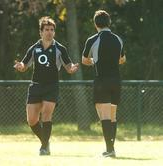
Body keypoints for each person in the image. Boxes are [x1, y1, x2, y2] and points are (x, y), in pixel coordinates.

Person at [14, 16, 79, 156]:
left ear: (54, 32)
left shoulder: (60, 48)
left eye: (52, 30)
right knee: (31, 120)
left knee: (46, 113)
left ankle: (44, 147)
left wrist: (72, 68)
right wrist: (20, 66)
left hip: (52, 86)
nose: (49, 32)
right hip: (36, 86)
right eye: (46, 30)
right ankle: (45, 141)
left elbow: (69, 66)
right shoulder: (34, 48)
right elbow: (24, 65)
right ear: (41, 32)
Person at [82, 10, 126, 157]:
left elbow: (84, 60)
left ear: (95, 24)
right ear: (109, 23)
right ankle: (111, 148)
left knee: (104, 116)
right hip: (116, 81)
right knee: (112, 116)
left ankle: (110, 149)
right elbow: (122, 59)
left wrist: (93, 61)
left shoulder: (92, 40)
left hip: (102, 81)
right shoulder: (118, 39)